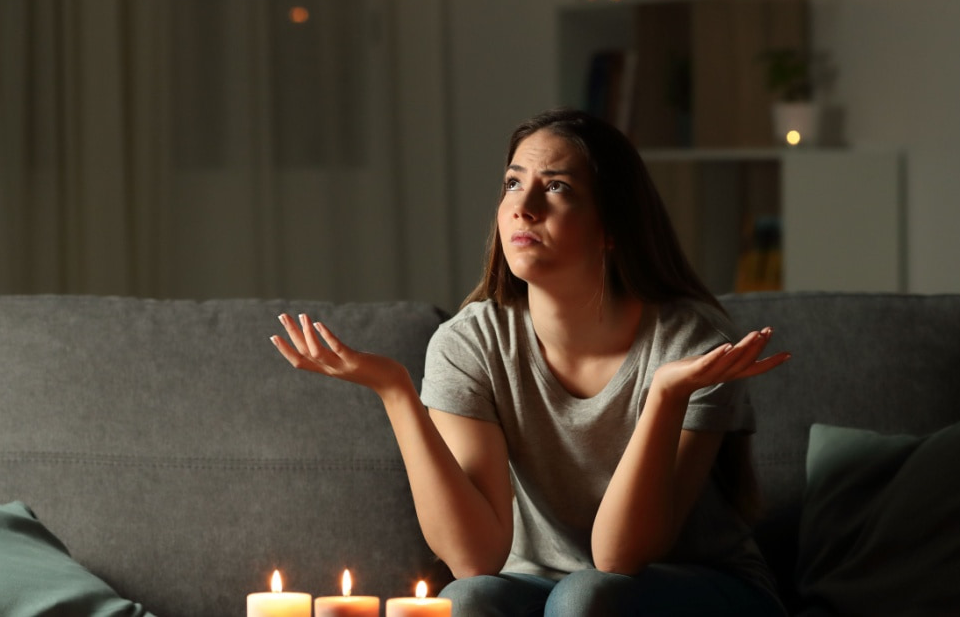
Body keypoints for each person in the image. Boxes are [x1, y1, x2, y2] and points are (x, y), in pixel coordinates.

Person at [270, 108, 790, 616]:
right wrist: (396, 391)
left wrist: (666, 395)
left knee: (587, 596)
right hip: (538, 586)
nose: (524, 206)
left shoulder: (690, 342)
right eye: (513, 183)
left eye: (557, 187)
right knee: (466, 600)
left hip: (699, 586)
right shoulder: (470, 342)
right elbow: (475, 558)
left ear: (613, 224)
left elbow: (619, 558)